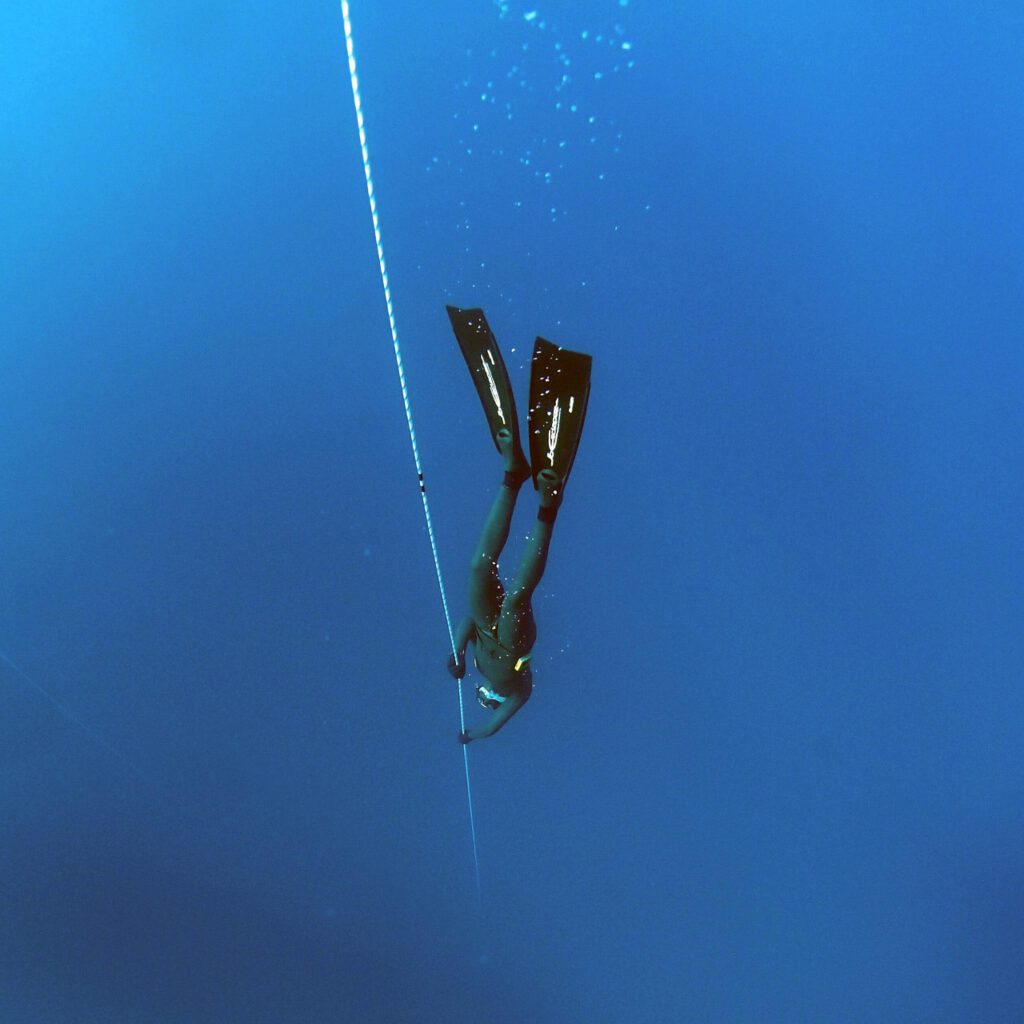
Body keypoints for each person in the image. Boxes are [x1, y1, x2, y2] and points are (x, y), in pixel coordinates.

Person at [444, 306, 591, 743]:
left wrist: (454, 653)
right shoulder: (518, 689)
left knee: (476, 567)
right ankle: (548, 506)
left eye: (484, 698)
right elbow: (498, 723)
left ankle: (513, 476)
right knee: (515, 600)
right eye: (490, 700)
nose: (489, 696)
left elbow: (467, 626)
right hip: (514, 642)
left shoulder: (477, 666)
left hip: (486, 627)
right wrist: (477, 734)